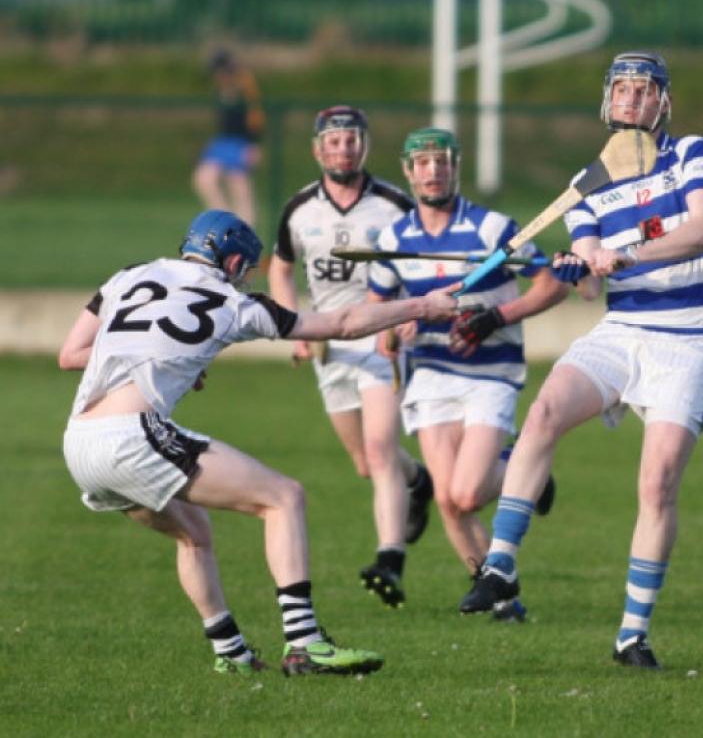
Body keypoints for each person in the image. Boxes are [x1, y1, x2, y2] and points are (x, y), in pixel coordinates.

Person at [59, 209, 458, 676]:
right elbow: (344, 323)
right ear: (232, 263)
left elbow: (71, 355)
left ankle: (232, 654)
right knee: (284, 497)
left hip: (79, 444)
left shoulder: (130, 276)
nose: (246, 279)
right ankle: (305, 643)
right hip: (132, 437)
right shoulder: (236, 304)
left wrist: (163, 356)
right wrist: (422, 307)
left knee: (194, 534)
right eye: (246, 270)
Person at [462, 50, 703, 668]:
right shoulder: (589, 183)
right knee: (544, 412)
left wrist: (626, 253)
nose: (631, 98)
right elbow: (587, 281)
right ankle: (500, 564)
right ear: (608, 99)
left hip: (687, 337)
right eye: (622, 88)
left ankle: (632, 634)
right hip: (622, 329)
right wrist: (575, 267)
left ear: (662, 101)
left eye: (643, 89)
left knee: (657, 484)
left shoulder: (691, 153)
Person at [367, 127, 569, 618]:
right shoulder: (393, 239)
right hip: (431, 374)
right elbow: (379, 316)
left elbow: (552, 285)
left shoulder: (492, 229)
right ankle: (504, 600)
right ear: (408, 172)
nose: (433, 171)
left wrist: (495, 317)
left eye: (443, 162)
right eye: (423, 163)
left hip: (490, 372)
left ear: (456, 168)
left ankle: (526, 467)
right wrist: (396, 328)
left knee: (468, 492)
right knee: (449, 503)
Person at [268, 105, 434, 610]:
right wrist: (292, 326)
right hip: (329, 342)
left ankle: (390, 560)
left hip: (381, 338)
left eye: (352, 140)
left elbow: (423, 263)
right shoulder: (300, 208)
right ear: (318, 150)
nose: (344, 149)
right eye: (334, 141)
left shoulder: (393, 203)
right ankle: (419, 481)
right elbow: (280, 268)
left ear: (365, 145)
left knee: (380, 449)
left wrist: (409, 315)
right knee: (366, 463)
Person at [191, 48, 265, 227]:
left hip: (241, 142)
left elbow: (256, 117)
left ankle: (244, 231)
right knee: (203, 179)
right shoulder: (220, 89)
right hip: (223, 141)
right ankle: (224, 221)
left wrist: (254, 145)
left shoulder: (245, 86)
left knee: (240, 188)